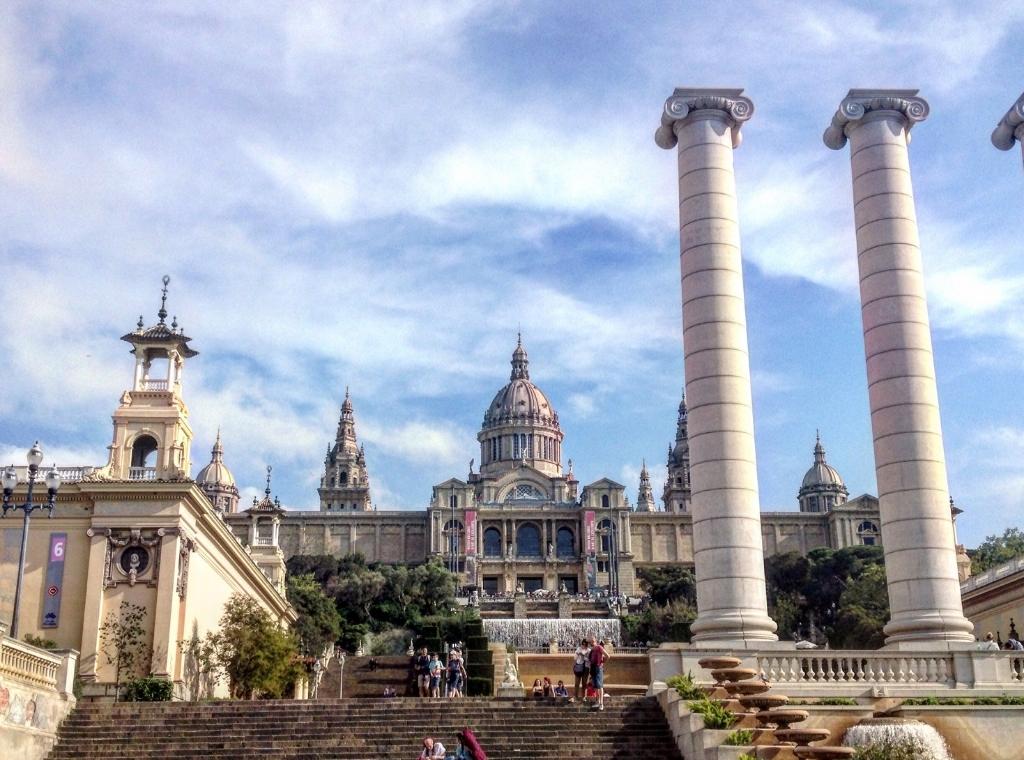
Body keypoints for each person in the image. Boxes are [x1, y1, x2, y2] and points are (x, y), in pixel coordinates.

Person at [588, 635, 608, 710]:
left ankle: (601, 704)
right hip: (593, 669)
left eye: (593, 641)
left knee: (600, 686)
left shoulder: (599, 647)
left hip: (598, 668)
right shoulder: (592, 650)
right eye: (590, 641)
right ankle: (598, 701)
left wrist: (602, 663)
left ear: (595, 641)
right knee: (595, 686)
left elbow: (608, 656)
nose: (592, 642)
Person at [572, 638, 591, 702]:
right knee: (576, 683)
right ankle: (575, 696)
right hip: (579, 667)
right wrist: (578, 654)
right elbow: (574, 658)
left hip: (586, 668)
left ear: (587, 645)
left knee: (584, 683)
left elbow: (590, 660)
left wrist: (584, 657)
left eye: (585, 644)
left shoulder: (589, 650)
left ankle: (584, 697)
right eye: (583, 644)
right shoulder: (578, 649)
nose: (584, 645)